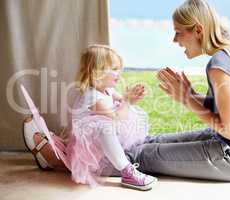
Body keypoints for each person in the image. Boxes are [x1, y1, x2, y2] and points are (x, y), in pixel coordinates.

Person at [24, 0, 230, 182]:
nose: (174, 40)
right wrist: (191, 95)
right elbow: (229, 112)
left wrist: (186, 99)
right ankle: (80, 151)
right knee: (146, 141)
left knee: (140, 155)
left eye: (178, 33)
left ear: (198, 30)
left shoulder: (220, 65)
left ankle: (62, 162)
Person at [23, 44, 157, 190]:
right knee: (104, 126)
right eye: (113, 69)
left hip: (103, 137)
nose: (119, 73)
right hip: (87, 144)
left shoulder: (108, 90)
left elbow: (121, 105)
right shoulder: (92, 96)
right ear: (96, 72)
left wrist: (129, 97)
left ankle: (125, 154)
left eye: (118, 69)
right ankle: (127, 172)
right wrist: (127, 101)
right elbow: (116, 116)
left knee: (127, 113)